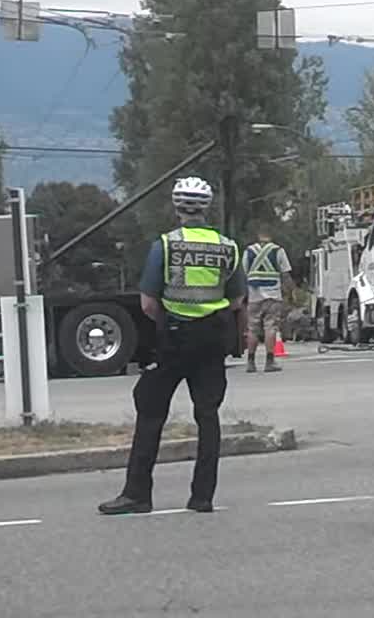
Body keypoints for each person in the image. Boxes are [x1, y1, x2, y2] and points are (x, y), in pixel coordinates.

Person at [98, 176, 246, 516]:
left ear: (177, 206)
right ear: (207, 207)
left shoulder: (165, 246)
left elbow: (148, 303)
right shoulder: (228, 247)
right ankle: (202, 497)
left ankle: (137, 494)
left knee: (150, 411)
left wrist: (171, 319)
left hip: (174, 338)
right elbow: (237, 298)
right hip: (212, 340)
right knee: (208, 415)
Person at [243, 227, 293, 373]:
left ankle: (250, 362)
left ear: (258, 235)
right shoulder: (278, 251)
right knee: (270, 327)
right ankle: (269, 362)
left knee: (252, 329)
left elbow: (243, 273)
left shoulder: (249, 251)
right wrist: (290, 292)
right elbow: (285, 274)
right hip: (273, 295)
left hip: (254, 295)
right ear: (271, 236)